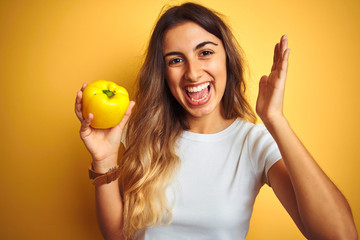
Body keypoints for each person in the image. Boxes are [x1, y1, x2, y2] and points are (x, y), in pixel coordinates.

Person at [75, 2, 357, 240]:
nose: (193, 73)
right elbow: (117, 235)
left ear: (227, 60)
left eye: (205, 52)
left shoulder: (253, 143)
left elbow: (339, 235)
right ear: (163, 73)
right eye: (176, 60)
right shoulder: (140, 131)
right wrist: (104, 159)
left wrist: (275, 119)